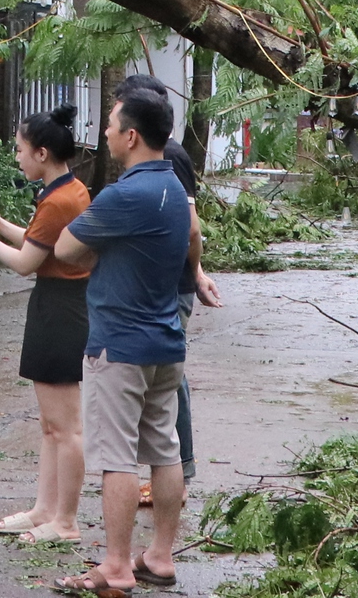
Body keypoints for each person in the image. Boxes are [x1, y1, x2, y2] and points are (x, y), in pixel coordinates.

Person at [50, 89, 203, 598]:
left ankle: (116, 566)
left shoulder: (123, 196)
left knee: (117, 458)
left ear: (132, 136)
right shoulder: (177, 193)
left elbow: (67, 249)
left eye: (113, 126)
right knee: (165, 450)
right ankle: (159, 556)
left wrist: (103, 256)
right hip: (167, 343)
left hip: (118, 347)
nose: (108, 134)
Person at [0, 103, 89, 544]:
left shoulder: (58, 200)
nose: (17, 156)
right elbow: (42, 243)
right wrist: (1, 224)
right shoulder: (67, 191)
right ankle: (45, 509)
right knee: (52, 424)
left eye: (20, 149)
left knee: (65, 426)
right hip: (60, 306)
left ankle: (65, 521)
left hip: (61, 310)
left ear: (42, 153)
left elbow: (25, 263)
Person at [116, 73, 223, 494]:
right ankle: (170, 472)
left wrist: (193, 275)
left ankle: (178, 470)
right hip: (164, 281)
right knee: (164, 378)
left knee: (165, 380)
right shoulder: (157, 157)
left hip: (168, 285)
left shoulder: (171, 156)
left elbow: (191, 228)